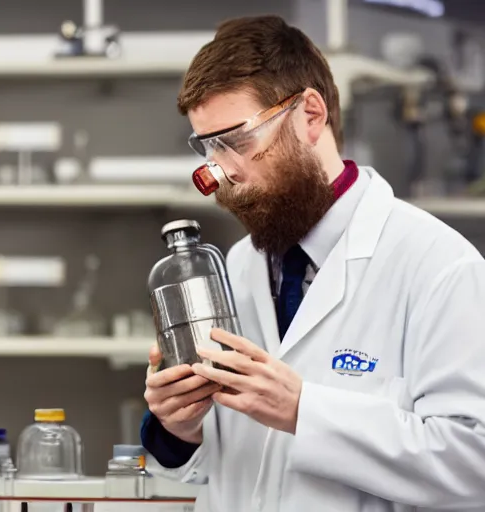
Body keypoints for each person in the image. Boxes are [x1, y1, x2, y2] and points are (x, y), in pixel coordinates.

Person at [140, 15, 485, 512]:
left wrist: (306, 410)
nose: (224, 170)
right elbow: (222, 464)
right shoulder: (236, 267)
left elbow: (473, 465)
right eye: (209, 146)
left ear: (311, 114)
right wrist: (178, 426)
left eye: (237, 139)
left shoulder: (437, 266)